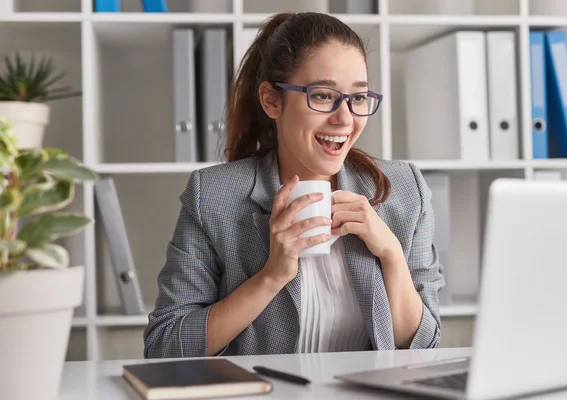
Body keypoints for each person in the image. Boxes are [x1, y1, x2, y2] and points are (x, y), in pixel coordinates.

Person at [143, 11, 444, 358]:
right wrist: (270, 277)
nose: (345, 118)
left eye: (358, 98)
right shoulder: (212, 196)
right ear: (272, 100)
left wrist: (391, 255)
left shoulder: (405, 189)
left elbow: (425, 347)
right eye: (322, 95)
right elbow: (164, 347)